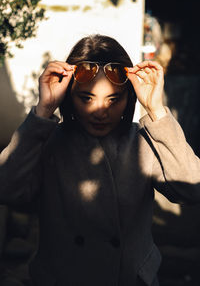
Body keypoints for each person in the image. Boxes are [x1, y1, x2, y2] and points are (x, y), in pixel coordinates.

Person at [1, 34, 200, 286]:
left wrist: (156, 111)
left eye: (113, 99)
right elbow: (5, 188)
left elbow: (193, 188)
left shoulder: (143, 142)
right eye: (86, 98)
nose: (101, 111)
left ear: (129, 98)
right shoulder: (48, 142)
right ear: (69, 97)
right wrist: (43, 110)